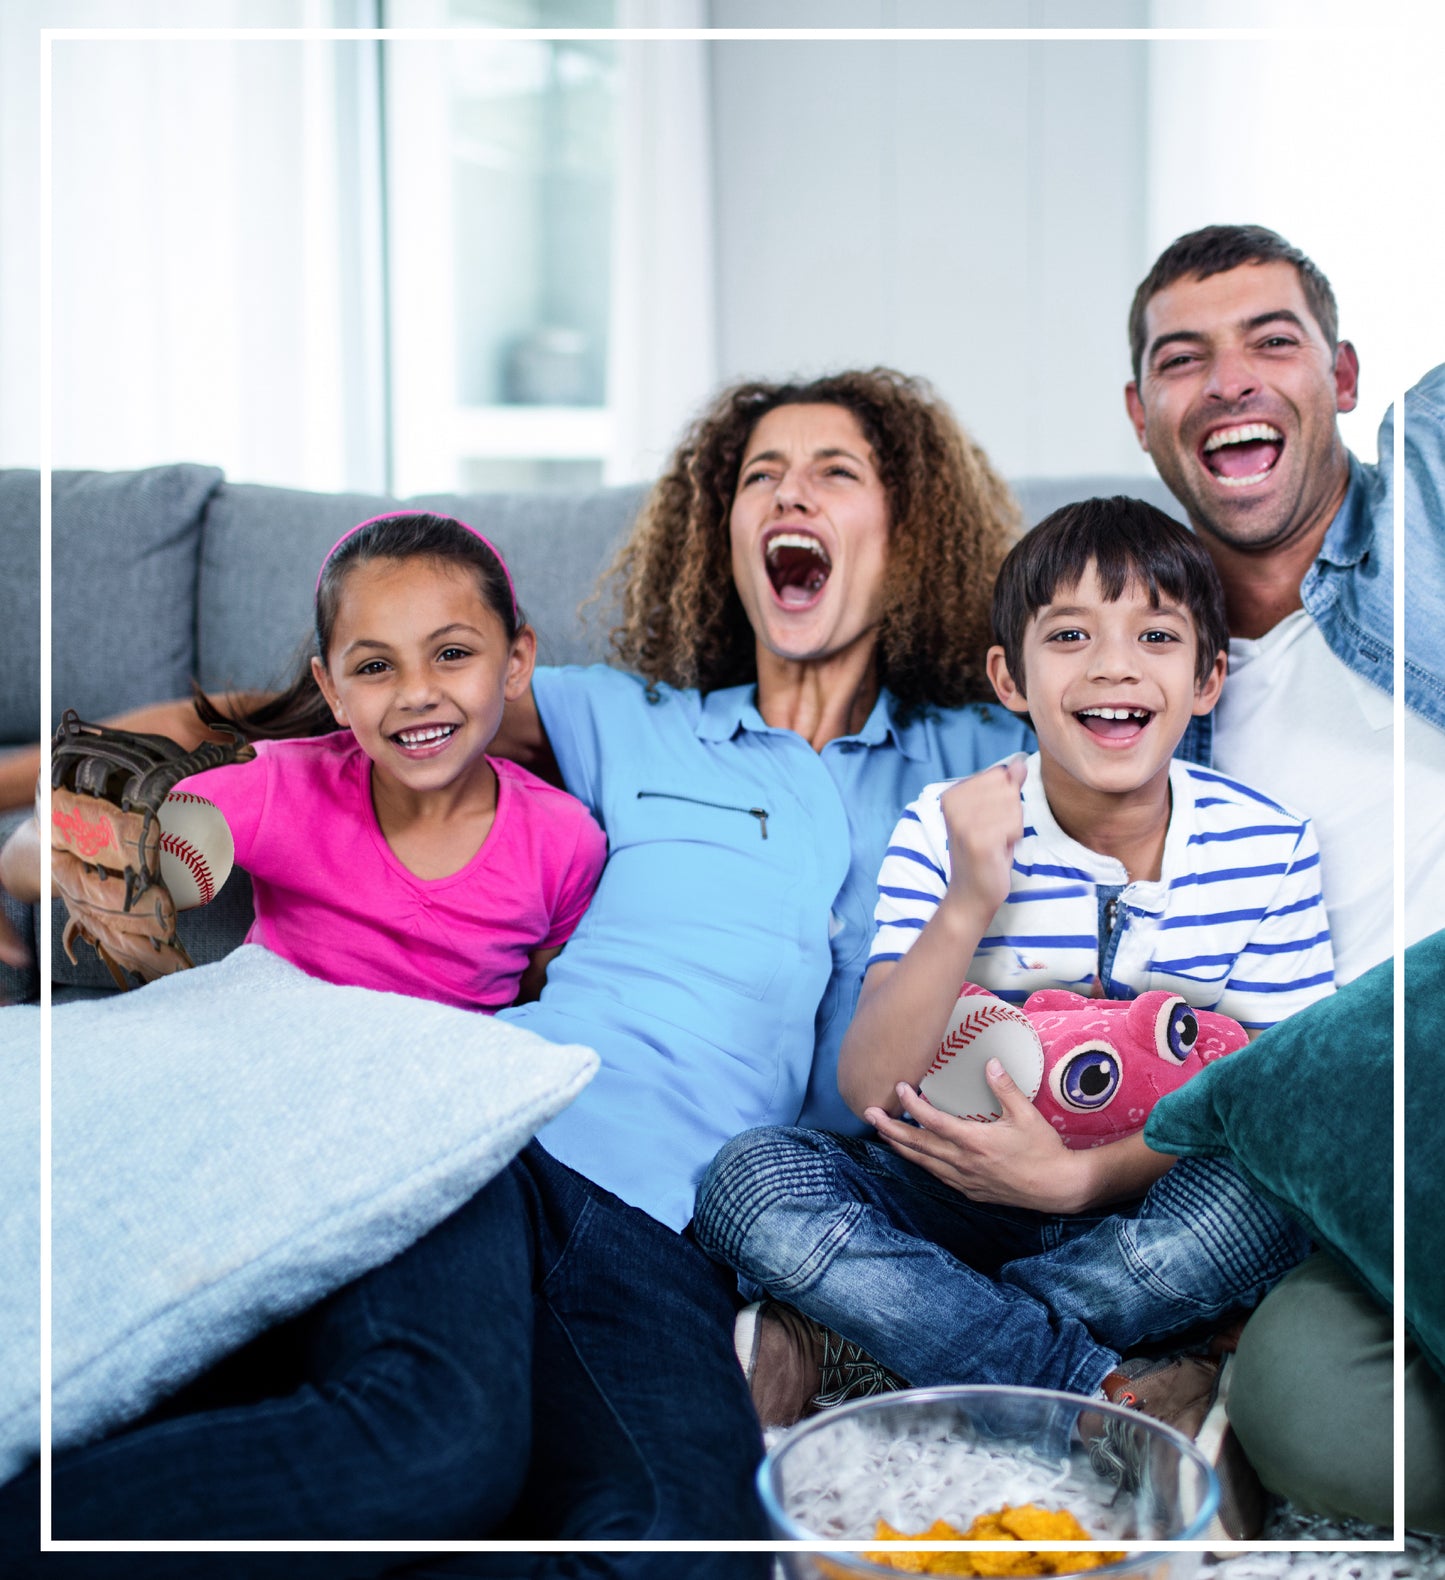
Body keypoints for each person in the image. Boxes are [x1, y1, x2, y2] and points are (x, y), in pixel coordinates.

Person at [0, 368, 1032, 1574]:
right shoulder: (632, 717)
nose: (788, 494)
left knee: (687, 1552)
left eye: (832, 473)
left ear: (904, 529)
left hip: (667, 1246)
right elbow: (313, 711)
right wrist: (34, 783)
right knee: (431, 1444)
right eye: (760, 475)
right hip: (492, 1139)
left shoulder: (980, 753)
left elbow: (1143, 694)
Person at [693, 501, 1328, 1503]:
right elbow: (869, 1086)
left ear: (1207, 678)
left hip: (1143, 1208)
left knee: (1276, 1198)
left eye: (1155, 637)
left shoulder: (1268, 842)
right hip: (946, 1199)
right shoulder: (943, 825)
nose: (1112, 667)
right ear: (1009, 679)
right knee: (747, 1182)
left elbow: (1274, 1101)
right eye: (1069, 635)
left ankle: (878, 1337)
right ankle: (1095, 1384)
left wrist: (1078, 1181)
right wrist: (969, 897)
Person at [1121, 227, 1445, 1532]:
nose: (1229, 381)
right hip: (1328, 1168)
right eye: (1182, 360)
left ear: (1342, 376)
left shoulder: (1424, 513)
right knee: (1308, 1409)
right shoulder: (1134, 679)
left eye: (1271, 341)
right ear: (1139, 414)